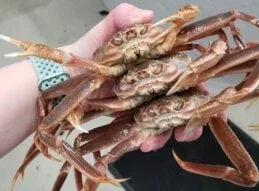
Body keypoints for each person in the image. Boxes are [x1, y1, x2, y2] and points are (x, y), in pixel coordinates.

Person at [0, 3, 203, 158]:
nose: (133, 45)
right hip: (108, 86)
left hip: (170, 80)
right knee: (67, 133)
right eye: (118, 42)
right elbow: (75, 69)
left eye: (141, 34)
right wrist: (72, 70)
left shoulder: (172, 46)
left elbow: (206, 23)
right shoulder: (94, 74)